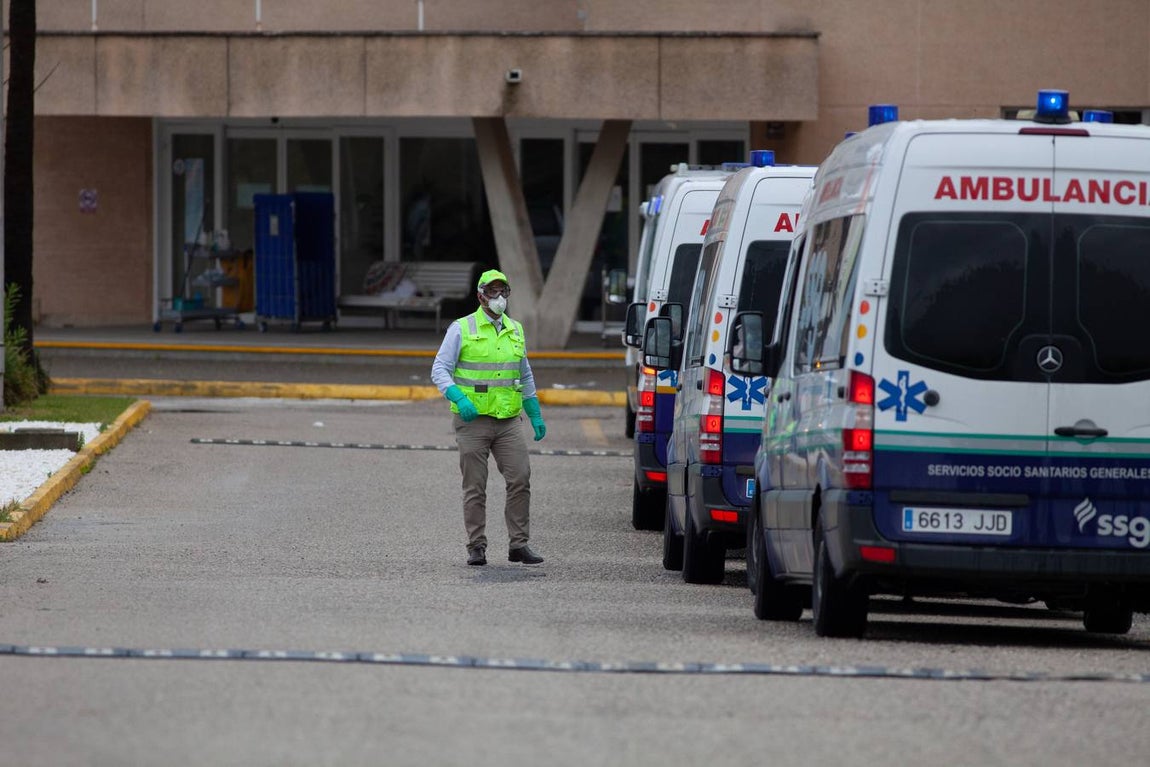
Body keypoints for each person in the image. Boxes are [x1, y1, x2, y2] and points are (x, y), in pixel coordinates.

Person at [430, 269, 548, 566]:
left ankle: (519, 544)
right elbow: (439, 369)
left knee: (520, 478)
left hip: (508, 420)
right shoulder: (462, 328)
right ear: (480, 295)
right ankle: (476, 545)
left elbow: (524, 374)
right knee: (475, 486)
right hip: (473, 421)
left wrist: (534, 413)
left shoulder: (515, 329)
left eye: (503, 291)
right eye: (493, 292)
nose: (499, 298)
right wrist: (458, 397)